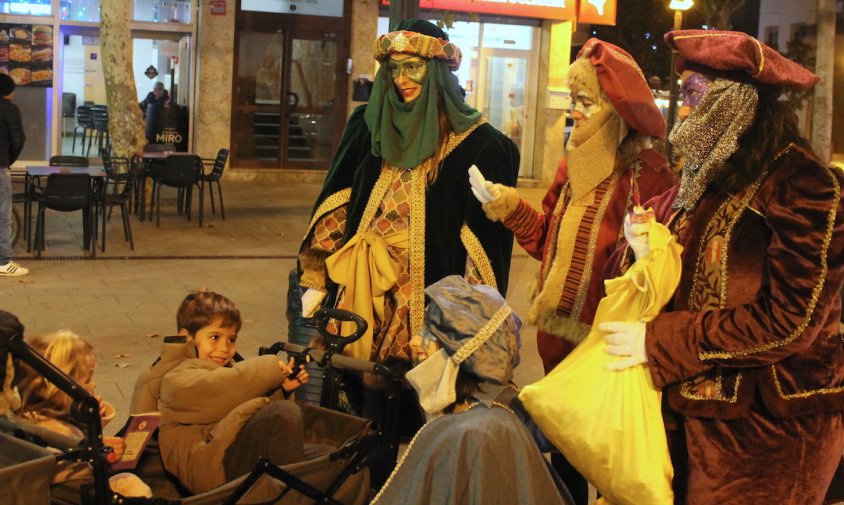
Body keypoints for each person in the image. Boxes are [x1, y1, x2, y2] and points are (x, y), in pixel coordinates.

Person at [600, 30, 844, 504]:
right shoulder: (709, 178)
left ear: (735, 101)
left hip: (769, 432)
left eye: (694, 95)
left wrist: (659, 341)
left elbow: (791, 321)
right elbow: (689, 277)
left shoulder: (801, 183)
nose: (685, 114)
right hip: (689, 413)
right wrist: (647, 249)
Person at [470, 38, 674, 503]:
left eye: (586, 102)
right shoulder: (571, 165)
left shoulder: (649, 175)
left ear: (615, 108)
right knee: (563, 457)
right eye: (573, 101)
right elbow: (547, 242)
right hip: (557, 338)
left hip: (607, 345)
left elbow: (657, 269)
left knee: (606, 461)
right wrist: (507, 207)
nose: (576, 112)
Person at [296, 20, 519, 416]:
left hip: (423, 297)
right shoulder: (367, 127)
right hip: (363, 287)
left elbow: (482, 247)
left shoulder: (483, 145)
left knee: (419, 407)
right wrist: (316, 277)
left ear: (435, 70)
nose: (402, 79)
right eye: (394, 68)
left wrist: (464, 325)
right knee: (356, 404)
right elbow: (337, 201)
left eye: (412, 66)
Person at [370, 275, 573, 505]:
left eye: (431, 332)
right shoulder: (480, 413)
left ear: (466, 351)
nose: (415, 341)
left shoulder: (472, 433)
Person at [156, 290, 309, 494]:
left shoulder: (225, 371)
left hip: (228, 447)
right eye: (214, 337)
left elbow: (236, 403)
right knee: (285, 415)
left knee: (332, 456)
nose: (224, 348)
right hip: (210, 464)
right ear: (187, 337)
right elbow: (224, 389)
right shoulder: (176, 377)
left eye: (231, 339)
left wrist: (281, 388)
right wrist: (270, 369)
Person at [12, 328, 152, 497]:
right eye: (87, 380)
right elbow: (58, 469)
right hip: (75, 494)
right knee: (131, 485)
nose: (92, 385)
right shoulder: (50, 430)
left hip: (77, 489)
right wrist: (96, 452)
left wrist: (94, 419)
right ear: (59, 388)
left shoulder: (45, 417)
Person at [0, 73, 26, 277]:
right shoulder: (9, 109)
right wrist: (7, 161)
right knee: (2, 216)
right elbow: (18, 141)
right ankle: (4, 262)